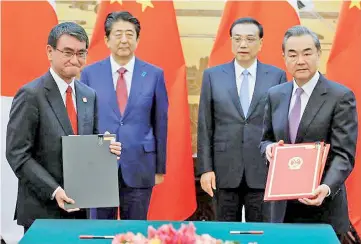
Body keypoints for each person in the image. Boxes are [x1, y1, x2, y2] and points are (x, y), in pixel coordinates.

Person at [5, 22, 122, 233]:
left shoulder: (88, 95)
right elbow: (17, 155)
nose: (75, 60)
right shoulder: (31, 95)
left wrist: (106, 150)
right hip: (42, 211)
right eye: (67, 52)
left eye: (81, 53)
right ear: (50, 52)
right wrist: (54, 190)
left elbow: (88, 143)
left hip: (80, 210)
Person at [260, 25, 358, 237]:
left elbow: (344, 155)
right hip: (282, 210)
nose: (300, 61)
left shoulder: (340, 96)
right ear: (284, 57)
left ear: (318, 54)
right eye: (293, 54)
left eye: (307, 53)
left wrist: (326, 187)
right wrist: (269, 150)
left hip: (322, 209)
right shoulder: (275, 95)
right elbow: (265, 139)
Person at [197, 17, 287, 222]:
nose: (243, 44)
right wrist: (205, 169)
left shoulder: (276, 76)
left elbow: (280, 126)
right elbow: (205, 125)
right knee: (224, 233)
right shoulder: (212, 75)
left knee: (262, 232)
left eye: (249, 39)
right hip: (223, 170)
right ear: (231, 41)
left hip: (263, 169)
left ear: (261, 43)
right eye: (237, 39)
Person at [80, 11, 168, 220]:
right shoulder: (90, 74)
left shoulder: (154, 74)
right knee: (100, 231)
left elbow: (161, 122)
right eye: (118, 34)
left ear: (137, 39)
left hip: (140, 164)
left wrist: (159, 168)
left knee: (135, 232)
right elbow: (84, 122)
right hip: (99, 165)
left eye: (130, 34)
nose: (124, 40)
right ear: (107, 40)